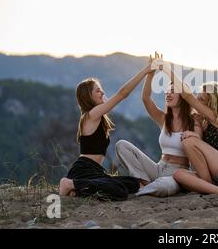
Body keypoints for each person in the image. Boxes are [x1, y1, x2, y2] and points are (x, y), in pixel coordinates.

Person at [59, 56, 158, 201]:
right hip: (84, 170)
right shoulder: (91, 115)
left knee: (132, 183)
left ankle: (78, 190)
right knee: (119, 191)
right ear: (89, 96)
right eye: (98, 91)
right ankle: (70, 183)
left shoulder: (96, 116)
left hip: (96, 172)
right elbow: (122, 94)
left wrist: (151, 73)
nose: (103, 93)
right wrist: (145, 70)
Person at [115, 53, 202, 196]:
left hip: (178, 172)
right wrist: (151, 71)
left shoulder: (194, 120)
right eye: (167, 91)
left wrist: (166, 69)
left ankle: (145, 188)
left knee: (164, 186)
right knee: (121, 145)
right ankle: (145, 183)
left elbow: (198, 140)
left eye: (173, 91)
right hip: (158, 168)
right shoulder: (163, 118)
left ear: (183, 96)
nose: (168, 94)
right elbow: (146, 98)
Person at [160, 61, 218, 196]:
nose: (197, 103)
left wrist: (166, 69)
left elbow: (187, 96)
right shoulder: (202, 119)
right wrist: (197, 125)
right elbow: (198, 138)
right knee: (178, 174)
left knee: (187, 140)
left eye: (201, 100)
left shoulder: (216, 118)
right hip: (212, 171)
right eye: (197, 98)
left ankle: (209, 185)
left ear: (212, 104)